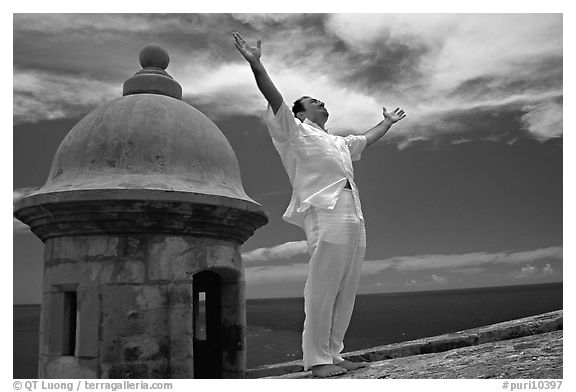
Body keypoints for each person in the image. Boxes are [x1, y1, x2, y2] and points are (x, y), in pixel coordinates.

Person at [233, 32, 406, 378]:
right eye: (314, 101)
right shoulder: (293, 132)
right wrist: (256, 64)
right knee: (324, 284)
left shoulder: (339, 142)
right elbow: (275, 97)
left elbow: (367, 138)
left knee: (347, 285)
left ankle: (335, 354)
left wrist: (386, 122)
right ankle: (317, 360)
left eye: (321, 100)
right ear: (300, 112)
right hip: (324, 210)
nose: (322, 102)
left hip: (353, 210)